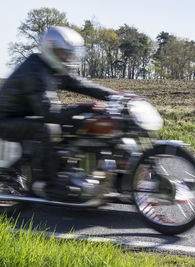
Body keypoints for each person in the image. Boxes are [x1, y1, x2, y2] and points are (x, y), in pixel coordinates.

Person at [0, 26, 119, 197]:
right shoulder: (34, 71)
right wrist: (83, 106)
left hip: (25, 116)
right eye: (64, 53)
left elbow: (81, 84)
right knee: (46, 129)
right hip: (6, 121)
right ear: (52, 51)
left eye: (71, 53)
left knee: (81, 122)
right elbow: (49, 113)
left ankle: (70, 170)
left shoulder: (52, 68)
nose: (69, 57)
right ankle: (51, 183)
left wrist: (115, 95)